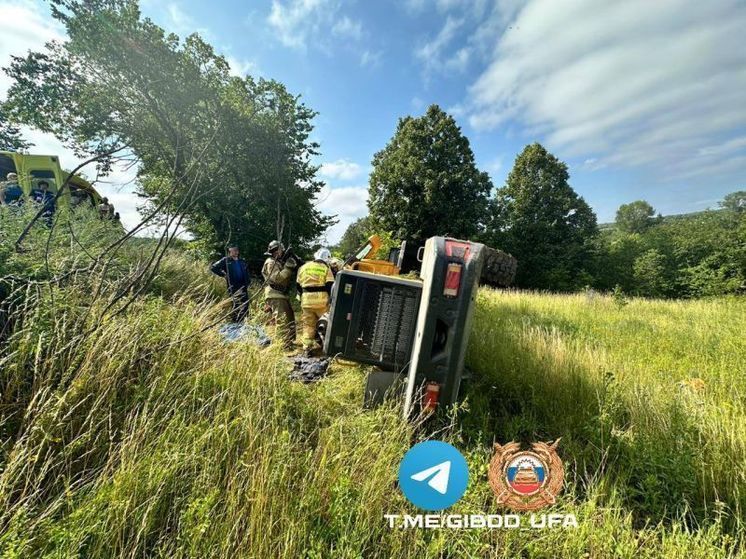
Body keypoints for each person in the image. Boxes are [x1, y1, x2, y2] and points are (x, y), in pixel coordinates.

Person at [296, 248, 335, 356]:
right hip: (322, 302)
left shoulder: (303, 267)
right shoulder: (326, 268)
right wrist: (332, 301)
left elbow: (298, 287)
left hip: (306, 302)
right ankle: (327, 349)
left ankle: (306, 348)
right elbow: (330, 286)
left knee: (308, 326)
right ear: (326, 259)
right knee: (326, 324)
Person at [262, 240, 298, 349]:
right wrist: (288, 268)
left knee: (288, 318)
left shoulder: (276, 262)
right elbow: (276, 278)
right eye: (280, 250)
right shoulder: (271, 262)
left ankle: (288, 341)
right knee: (281, 319)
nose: (282, 251)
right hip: (275, 294)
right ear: (276, 251)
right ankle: (282, 345)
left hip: (280, 294)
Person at [210, 246, 251, 323]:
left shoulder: (242, 261)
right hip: (233, 286)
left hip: (243, 285)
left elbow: (246, 272)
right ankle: (236, 322)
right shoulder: (226, 260)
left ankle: (245, 321)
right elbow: (213, 267)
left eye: (236, 250)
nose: (235, 252)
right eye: (233, 250)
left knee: (245, 304)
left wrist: (248, 281)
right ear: (229, 251)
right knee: (236, 304)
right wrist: (223, 275)